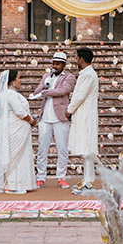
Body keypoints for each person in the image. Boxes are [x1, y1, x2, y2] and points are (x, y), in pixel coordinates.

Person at [30, 50, 76, 188]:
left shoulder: (69, 77)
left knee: (62, 149)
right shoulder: (46, 76)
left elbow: (63, 91)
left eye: (58, 64)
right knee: (42, 149)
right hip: (45, 117)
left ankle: (61, 177)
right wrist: (45, 84)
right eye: (54, 63)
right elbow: (36, 93)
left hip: (60, 117)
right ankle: (40, 177)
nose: (55, 66)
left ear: (64, 65)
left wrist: (46, 92)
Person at [0, 69, 36, 194]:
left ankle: (17, 183)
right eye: (19, 78)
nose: (21, 80)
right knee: (15, 156)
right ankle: (12, 185)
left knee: (19, 156)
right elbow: (20, 112)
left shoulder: (5, 94)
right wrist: (32, 121)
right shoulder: (10, 94)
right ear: (12, 81)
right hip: (16, 129)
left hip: (16, 129)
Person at [68, 47, 100, 195]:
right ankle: (87, 179)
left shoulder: (88, 75)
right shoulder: (86, 74)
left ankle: (89, 182)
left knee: (87, 150)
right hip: (82, 114)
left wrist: (69, 109)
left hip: (86, 116)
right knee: (84, 150)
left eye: (76, 58)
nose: (76, 61)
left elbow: (80, 96)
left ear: (81, 58)